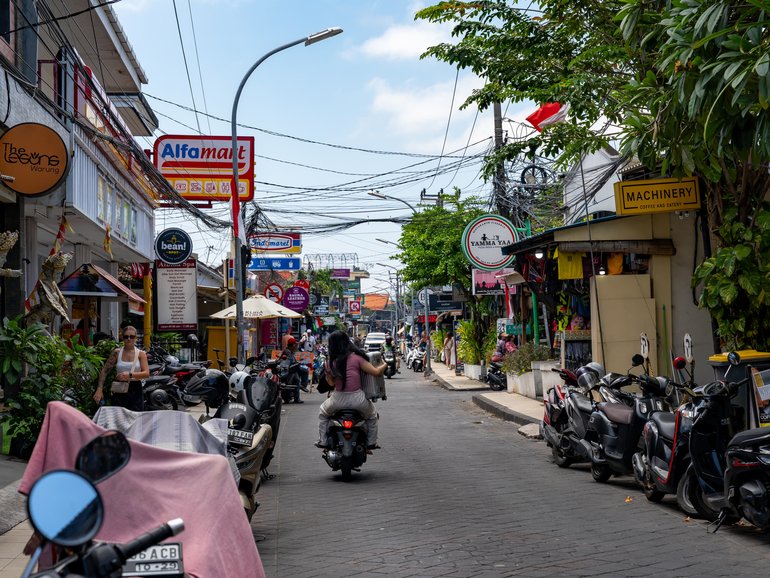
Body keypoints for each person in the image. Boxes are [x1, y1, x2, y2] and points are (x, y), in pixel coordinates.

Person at [316, 330, 386, 449]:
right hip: (358, 400)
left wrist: (328, 374)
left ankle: (322, 441)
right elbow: (376, 372)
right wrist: (384, 363)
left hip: (337, 399)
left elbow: (331, 384)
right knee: (372, 416)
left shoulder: (330, 363)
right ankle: (371, 443)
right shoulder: (357, 358)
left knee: (323, 413)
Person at [94, 325, 149, 411]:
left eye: (132, 336)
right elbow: (105, 371)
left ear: (136, 338)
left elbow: (146, 373)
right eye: (126, 336)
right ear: (122, 338)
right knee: (118, 418)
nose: (129, 339)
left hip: (135, 389)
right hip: (119, 389)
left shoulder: (141, 354)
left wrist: (129, 375)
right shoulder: (117, 352)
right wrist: (99, 388)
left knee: (135, 418)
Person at [281, 337, 309, 402]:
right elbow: (289, 361)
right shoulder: (288, 351)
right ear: (292, 345)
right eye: (294, 345)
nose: (295, 346)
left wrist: (299, 361)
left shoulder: (290, 351)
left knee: (303, 371)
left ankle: (302, 386)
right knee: (298, 378)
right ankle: (301, 387)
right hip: (289, 370)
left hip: (292, 368)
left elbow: (293, 361)